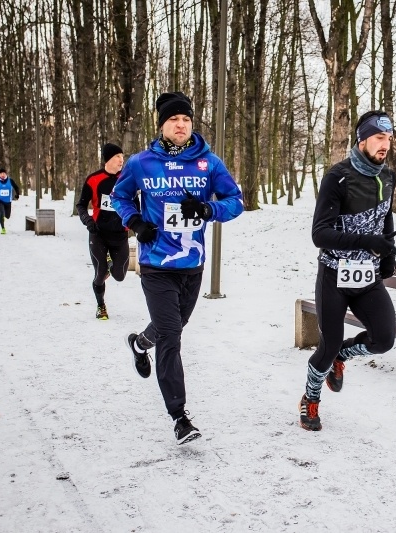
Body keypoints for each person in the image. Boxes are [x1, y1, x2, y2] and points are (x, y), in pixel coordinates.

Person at [111, 91, 244, 445]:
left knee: (175, 324)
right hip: (155, 263)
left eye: (185, 119)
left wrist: (207, 211)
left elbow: (236, 202)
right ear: (162, 126)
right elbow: (119, 197)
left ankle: (140, 344)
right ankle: (180, 417)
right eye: (173, 119)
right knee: (171, 336)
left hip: (192, 264)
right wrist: (136, 223)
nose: (181, 124)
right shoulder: (141, 163)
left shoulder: (209, 163)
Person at [298, 110, 396, 432]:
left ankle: (343, 355)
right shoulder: (337, 176)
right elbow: (320, 234)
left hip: (367, 276)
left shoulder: (388, 177)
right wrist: (366, 239)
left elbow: (385, 218)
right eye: (379, 138)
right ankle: (310, 399)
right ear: (362, 139)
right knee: (327, 345)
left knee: (384, 340)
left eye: (389, 139)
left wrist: (388, 251)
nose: (385, 145)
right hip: (334, 274)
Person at [76, 143, 130, 320]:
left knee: (120, 276)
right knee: (99, 274)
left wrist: (135, 221)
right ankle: (101, 306)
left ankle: (111, 264)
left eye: (122, 156)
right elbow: (81, 205)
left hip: (120, 234)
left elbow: (136, 204)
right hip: (99, 233)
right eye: (117, 157)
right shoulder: (94, 179)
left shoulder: (127, 179)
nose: (121, 160)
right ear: (108, 159)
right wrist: (88, 221)